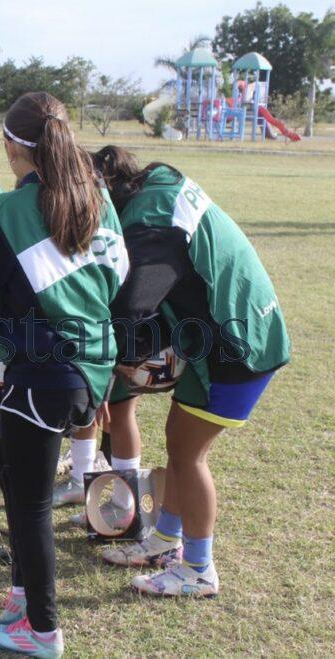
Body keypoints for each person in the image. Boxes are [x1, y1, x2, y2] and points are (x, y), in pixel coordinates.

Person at [0, 92, 128, 657]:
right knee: (17, 477)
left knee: (30, 504)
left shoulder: (13, 212)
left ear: (11, 146)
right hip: (93, 365)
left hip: (44, 372)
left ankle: (41, 631)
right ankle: (22, 598)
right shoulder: (96, 196)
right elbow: (116, 274)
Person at [92, 145, 290, 597]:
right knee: (179, 440)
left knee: (188, 455)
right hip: (230, 332)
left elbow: (132, 305)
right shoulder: (155, 190)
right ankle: (165, 541)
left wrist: (102, 366)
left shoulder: (151, 220)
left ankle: (199, 570)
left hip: (240, 346)